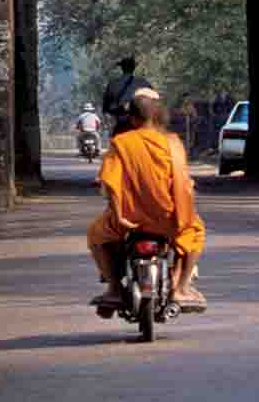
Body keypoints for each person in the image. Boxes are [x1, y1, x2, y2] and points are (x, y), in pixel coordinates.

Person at [86, 86, 206, 314]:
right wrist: (185, 211)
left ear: (131, 118)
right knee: (196, 231)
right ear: (158, 116)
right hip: (170, 219)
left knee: (95, 234)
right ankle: (181, 288)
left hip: (130, 219)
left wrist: (119, 216)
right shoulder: (172, 143)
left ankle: (113, 289)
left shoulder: (121, 143)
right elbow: (182, 182)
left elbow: (111, 184)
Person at [101, 53, 140, 133]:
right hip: (140, 128)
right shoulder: (143, 83)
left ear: (121, 68)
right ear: (134, 68)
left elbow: (106, 109)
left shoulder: (112, 84)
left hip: (121, 128)